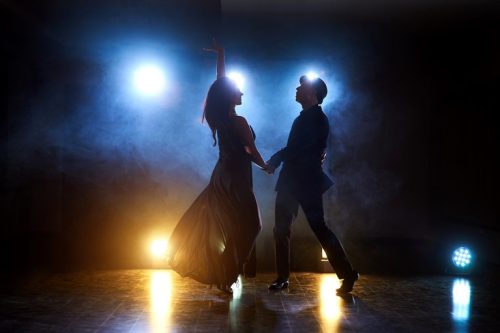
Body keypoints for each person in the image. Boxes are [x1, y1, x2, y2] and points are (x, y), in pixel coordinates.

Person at [167, 41, 266, 294]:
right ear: (230, 96)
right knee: (252, 225)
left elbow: (221, 84)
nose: (242, 93)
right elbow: (251, 151)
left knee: (233, 225)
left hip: (222, 177)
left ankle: (225, 275)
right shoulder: (239, 121)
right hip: (236, 178)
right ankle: (227, 273)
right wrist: (266, 165)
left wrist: (221, 56)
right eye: (238, 91)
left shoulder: (220, 119)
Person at [265, 75, 358, 294]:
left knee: (317, 228)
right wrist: (277, 161)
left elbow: (298, 148)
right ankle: (283, 277)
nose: (297, 88)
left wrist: (275, 160)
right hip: (293, 181)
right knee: (282, 230)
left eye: (302, 87)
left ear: (312, 94)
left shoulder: (316, 119)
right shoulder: (305, 117)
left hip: (305, 182)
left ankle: (347, 274)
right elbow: (299, 148)